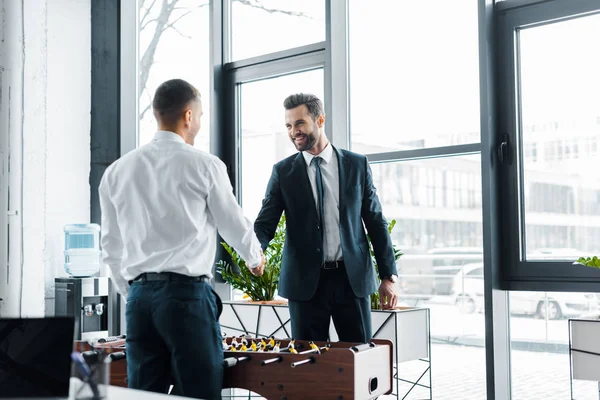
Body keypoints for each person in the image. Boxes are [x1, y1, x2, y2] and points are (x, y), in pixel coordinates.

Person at [99, 78, 265, 400]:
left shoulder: (117, 171)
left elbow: (111, 245)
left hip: (139, 301)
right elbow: (231, 222)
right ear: (188, 116)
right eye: (200, 115)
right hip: (186, 298)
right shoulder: (204, 165)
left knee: (143, 394)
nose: (200, 122)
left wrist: (131, 291)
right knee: (199, 392)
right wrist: (255, 258)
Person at [254, 93, 399, 343]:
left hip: (351, 280)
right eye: (288, 126)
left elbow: (375, 221)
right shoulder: (283, 172)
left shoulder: (357, 165)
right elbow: (265, 223)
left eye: (299, 123)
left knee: (359, 363)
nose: (293, 132)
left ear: (320, 120)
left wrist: (389, 276)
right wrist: (255, 252)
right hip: (305, 283)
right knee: (309, 366)